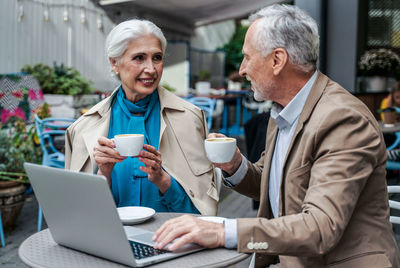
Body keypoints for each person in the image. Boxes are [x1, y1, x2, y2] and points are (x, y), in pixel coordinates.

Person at [153, 4, 400, 267]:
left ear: (277, 60)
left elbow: (320, 228)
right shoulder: (284, 110)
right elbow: (278, 188)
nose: (243, 69)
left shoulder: (342, 120)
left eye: (247, 57)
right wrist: (235, 166)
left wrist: (222, 231)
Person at [65, 19, 218, 216]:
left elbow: (205, 215)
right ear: (114, 63)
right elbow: (78, 216)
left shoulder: (190, 119)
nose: (151, 69)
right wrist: (104, 173)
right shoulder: (82, 128)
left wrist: (163, 180)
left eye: (157, 57)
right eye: (139, 58)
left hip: (173, 242)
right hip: (110, 242)